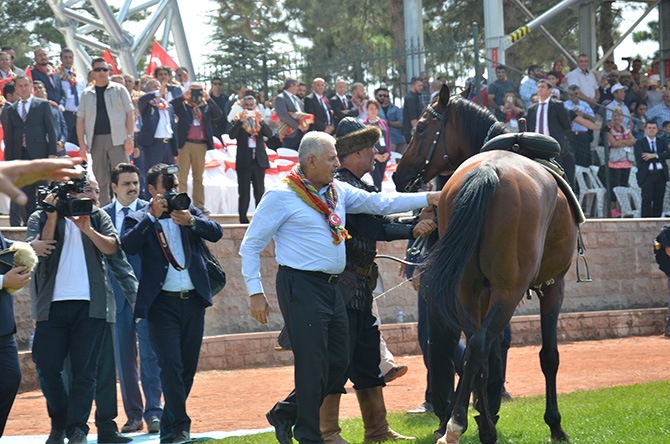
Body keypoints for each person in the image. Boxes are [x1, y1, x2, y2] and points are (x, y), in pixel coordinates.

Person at [239, 131, 440, 444]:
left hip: (332, 286)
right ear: (311, 161)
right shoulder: (281, 195)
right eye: (332, 158)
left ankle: (287, 411)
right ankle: (309, 436)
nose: (337, 163)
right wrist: (255, 291)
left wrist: (429, 198)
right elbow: (250, 245)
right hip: (300, 285)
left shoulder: (336, 191)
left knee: (339, 361)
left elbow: (380, 202)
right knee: (313, 362)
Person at [318, 117, 437, 443]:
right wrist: (413, 227)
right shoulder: (342, 186)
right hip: (341, 290)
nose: (376, 153)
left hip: (359, 287)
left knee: (368, 360)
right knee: (337, 362)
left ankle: (377, 430)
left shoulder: (353, 185)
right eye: (371, 147)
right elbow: (373, 228)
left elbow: (380, 218)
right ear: (355, 152)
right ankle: (327, 433)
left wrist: (416, 218)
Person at [121, 164, 223, 444]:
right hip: (161, 305)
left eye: (176, 186)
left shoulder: (187, 211)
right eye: (167, 187)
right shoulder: (138, 217)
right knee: (171, 366)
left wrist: (191, 220)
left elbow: (216, 232)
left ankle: (169, 424)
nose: (174, 192)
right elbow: (127, 246)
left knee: (187, 368)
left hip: (193, 302)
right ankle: (181, 426)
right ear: (152, 190)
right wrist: (152, 219)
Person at [25, 168, 121, 444]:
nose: (78, 194)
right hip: (51, 307)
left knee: (85, 372)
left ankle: (77, 429)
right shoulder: (40, 216)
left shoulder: (96, 215)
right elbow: (39, 252)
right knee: (46, 366)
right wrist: (53, 216)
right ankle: (60, 420)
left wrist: (87, 228)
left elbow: (113, 248)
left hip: (90, 306)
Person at [102, 164, 163, 435]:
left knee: (150, 355)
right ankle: (133, 415)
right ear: (113, 187)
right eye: (126, 183)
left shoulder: (151, 212)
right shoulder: (100, 215)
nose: (132, 187)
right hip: (115, 296)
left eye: (135, 183)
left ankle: (155, 413)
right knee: (124, 359)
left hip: (146, 294)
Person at [77, 57, 135, 206]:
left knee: (124, 178)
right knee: (101, 180)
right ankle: (104, 215)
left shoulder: (120, 89)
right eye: (98, 69)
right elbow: (80, 120)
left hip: (118, 140)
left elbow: (130, 114)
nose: (102, 72)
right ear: (92, 73)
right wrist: (82, 145)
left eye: (105, 69)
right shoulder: (86, 93)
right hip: (96, 141)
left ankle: (128, 211)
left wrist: (130, 138)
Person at [3, 74, 58, 224]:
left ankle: (44, 223)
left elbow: (51, 131)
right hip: (20, 155)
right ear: (16, 89)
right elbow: (9, 137)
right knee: (26, 193)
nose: (23, 88)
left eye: (26, 85)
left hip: (40, 154)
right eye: (20, 86)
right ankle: (30, 224)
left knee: (43, 190)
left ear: (31, 86)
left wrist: (52, 153)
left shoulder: (42, 104)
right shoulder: (12, 109)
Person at [171, 82, 223, 215]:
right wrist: (184, 96)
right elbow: (170, 107)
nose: (196, 94)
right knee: (182, 176)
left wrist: (209, 98)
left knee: (198, 177)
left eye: (199, 91)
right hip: (185, 144)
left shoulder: (205, 106)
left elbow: (218, 114)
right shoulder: (183, 105)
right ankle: (181, 203)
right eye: (194, 90)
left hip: (201, 144)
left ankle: (199, 205)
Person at [0, 230, 32, 437]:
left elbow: (6, 246)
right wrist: (3, 281)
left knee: (11, 377)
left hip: (3, 326)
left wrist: (29, 249)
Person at [229, 95, 273, 223]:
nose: (249, 108)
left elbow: (269, 134)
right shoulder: (237, 119)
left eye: (251, 105)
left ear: (255, 106)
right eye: (246, 106)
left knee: (259, 192)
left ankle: (260, 218)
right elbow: (232, 135)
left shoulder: (259, 120)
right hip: (244, 161)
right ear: (242, 107)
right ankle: (243, 218)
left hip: (258, 161)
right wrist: (240, 122)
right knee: (244, 192)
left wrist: (262, 121)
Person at [526, 79, 574, 186]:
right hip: (537, 144)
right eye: (538, 87)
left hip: (553, 143)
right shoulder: (532, 109)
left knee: (557, 170)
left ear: (550, 90)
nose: (540, 89)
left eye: (543, 87)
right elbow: (529, 127)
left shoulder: (557, 105)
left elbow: (566, 125)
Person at [137, 79, 178, 200]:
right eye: (154, 87)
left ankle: (169, 200)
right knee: (153, 176)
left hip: (168, 144)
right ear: (148, 90)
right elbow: (142, 100)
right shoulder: (147, 105)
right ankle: (150, 203)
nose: (159, 89)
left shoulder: (168, 106)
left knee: (169, 174)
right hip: (154, 145)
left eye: (159, 86)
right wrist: (157, 93)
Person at [634, 121, 670, 217]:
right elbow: (642, 157)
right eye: (649, 128)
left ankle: (657, 222)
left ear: (657, 130)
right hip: (647, 175)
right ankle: (645, 223)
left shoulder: (661, 142)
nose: (651, 130)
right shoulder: (640, 142)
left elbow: (668, 154)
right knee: (646, 200)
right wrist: (658, 157)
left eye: (654, 128)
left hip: (660, 174)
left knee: (659, 200)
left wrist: (654, 155)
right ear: (645, 129)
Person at [607, 108, 636, 216]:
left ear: (622, 117)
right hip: (615, 163)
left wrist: (621, 142)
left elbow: (633, 140)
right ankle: (614, 209)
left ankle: (623, 206)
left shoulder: (626, 129)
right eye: (615, 116)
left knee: (624, 186)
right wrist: (626, 142)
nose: (617, 118)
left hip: (627, 161)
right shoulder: (610, 129)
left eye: (619, 115)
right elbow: (613, 143)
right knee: (614, 186)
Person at [55, 48, 84, 145]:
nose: (68, 60)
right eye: (65, 57)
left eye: (70, 57)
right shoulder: (57, 76)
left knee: (79, 142)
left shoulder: (79, 76)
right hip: (66, 114)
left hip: (79, 114)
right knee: (67, 142)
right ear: (61, 59)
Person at [563, 85, 596, 167]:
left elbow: (593, 119)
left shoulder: (585, 105)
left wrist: (583, 114)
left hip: (583, 136)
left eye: (576, 93)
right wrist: (571, 115)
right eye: (571, 94)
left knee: (584, 160)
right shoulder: (564, 105)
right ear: (568, 95)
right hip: (570, 135)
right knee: (571, 160)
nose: (574, 96)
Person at [362, 100, 390, 191]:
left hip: (383, 155)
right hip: (372, 156)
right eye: (371, 108)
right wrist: (375, 155)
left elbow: (388, 138)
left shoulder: (383, 122)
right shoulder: (364, 124)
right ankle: (378, 197)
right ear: (367, 110)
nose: (373, 111)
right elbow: (364, 142)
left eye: (375, 108)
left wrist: (387, 153)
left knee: (380, 180)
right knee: (376, 180)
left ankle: (379, 195)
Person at [275, 78, 309, 150]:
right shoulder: (280, 98)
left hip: (301, 133)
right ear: (291, 85)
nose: (298, 88)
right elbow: (283, 115)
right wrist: (298, 125)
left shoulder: (296, 98)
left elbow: (302, 112)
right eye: (297, 86)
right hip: (290, 134)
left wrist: (306, 124)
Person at [374, 87, 405, 154]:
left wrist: (388, 123)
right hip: (383, 140)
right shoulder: (376, 110)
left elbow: (401, 123)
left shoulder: (396, 109)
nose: (384, 98)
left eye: (386, 96)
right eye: (381, 96)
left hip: (397, 138)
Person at [402, 77, 423, 144]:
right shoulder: (411, 98)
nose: (421, 88)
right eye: (419, 86)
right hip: (412, 133)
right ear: (413, 86)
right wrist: (418, 133)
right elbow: (413, 118)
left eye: (422, 86)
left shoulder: (415, 98)